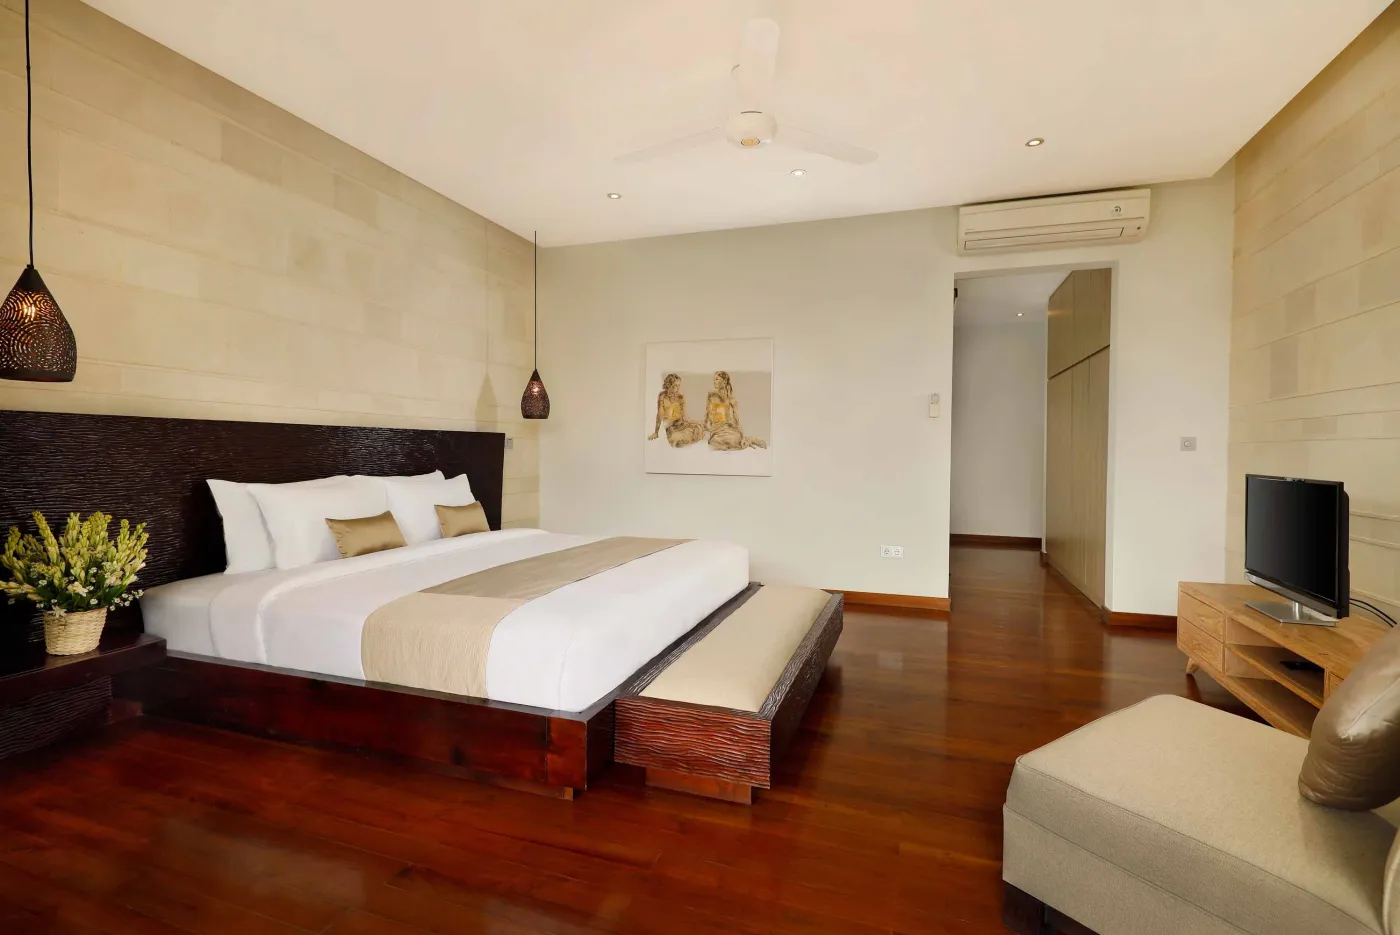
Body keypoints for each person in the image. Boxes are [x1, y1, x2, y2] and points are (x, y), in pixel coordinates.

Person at [705, 371, 767, 451]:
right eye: (714, 379)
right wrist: (705, 425)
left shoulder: (732, 399)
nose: (714, 381)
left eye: (717, 379)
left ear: (724, 381)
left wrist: (741, 434)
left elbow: (736, 420)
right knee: (714, 442)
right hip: (716, 430)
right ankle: (742, 441)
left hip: (728, 429)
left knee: (734, 440)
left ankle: (747, 439)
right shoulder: (711, 395)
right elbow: (707, 413)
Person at [648, 373, 707, 447]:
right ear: (668, 385)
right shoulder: (662, 396)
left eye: (679, 385)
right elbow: (660, 415)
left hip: (682, 424)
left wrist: (697, 422)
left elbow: (684, 417)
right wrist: (656, 432)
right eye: (675, 385)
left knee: (698, 428)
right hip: (671, 428)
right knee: (678, 440)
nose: (678, 388)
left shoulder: (680, 397)